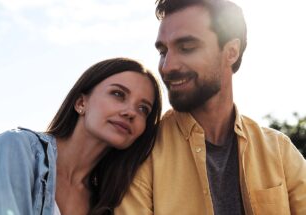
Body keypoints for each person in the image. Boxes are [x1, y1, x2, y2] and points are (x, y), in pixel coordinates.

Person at [115, 0, 306, 214]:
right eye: (163, 51)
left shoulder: (279, 151)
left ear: (231, 51)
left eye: (187, 48)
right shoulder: (142, 153)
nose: (167, 66)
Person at [0, 57, 162, 215]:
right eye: (118, 94)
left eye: (143, 108)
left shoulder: (110, 202)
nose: (131, 112)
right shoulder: (15, 149)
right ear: (81, 103)